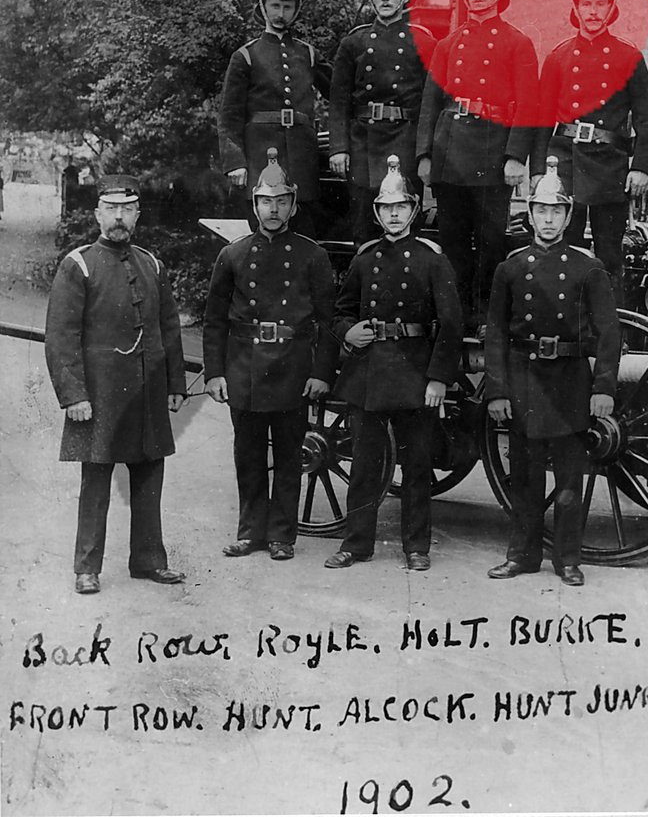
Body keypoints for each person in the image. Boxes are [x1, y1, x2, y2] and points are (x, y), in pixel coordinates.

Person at [44, 175, 187, 594]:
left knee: (149, 475)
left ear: (138, 215)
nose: (119, 217)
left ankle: (149, 560)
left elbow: (169, 327)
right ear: (97, 215)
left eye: (127, 209)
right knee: (96, 481)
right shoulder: (79, 265)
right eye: (111, 209)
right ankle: (86, 568)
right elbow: (61, 337)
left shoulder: (152, 264)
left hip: (147, 393)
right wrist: (74, 395)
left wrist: (175, 383)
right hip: (100, 395)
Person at [485, 156, 620, 586]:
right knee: (524, 478)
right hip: (524, 381)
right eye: (541, 211)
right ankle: (521, 556)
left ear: (568, 216)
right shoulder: (510, 267)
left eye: (556, 212)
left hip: (569, 382)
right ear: (530, 215)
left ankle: (568, 559)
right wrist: (497, 391)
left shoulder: (587, 268)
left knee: (568, 482)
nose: (548, 220)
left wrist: (603, 388)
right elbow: (496, 334)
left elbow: (609, 333)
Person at [325, 156, 462, 572]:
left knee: (417, 464)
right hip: (368, 372)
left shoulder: (432, 259)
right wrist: (348, 331)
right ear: (377, 213)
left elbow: (451, 323)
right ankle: (356, 544)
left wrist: (438, 378)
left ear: (413, 210)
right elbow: (340, 312)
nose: (394, 215)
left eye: (401, 207)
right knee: (365, 463)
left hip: (413, 371)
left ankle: (416, 547)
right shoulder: (365, 258)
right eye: (386, 208)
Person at [203, 149, 337, 561]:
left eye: (281, 202)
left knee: (289, 453)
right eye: (266, 202)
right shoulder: (233, 254)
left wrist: (321, 373)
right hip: (244, 366)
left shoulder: (312, 255)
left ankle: (282, 535)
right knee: (248, 454)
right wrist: (214, 373)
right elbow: (214, 320)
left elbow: (328, 322)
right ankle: (250, 533)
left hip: (292, 366)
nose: (273, 210)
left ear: (293, 206)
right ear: (255, 205)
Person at [416, 0, 538, 330]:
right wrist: (425, 155)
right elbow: (431, 104)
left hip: (492, 154)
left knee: (490, 243)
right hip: (450, 153)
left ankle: (487, 317)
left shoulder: (518, 43)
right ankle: (454, 317)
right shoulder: (448, 45)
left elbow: (529, 105)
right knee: (452, 242)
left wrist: (516, 157)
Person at [533, 0, 648, 304]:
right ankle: (562, 319)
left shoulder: (628, 57)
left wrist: (641, 167)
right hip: (565, 163)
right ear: (575, 8)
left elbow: (646, 117)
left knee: (609, 254)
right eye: (585, 4)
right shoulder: (558, 57)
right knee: (562, 248)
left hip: (609, 165)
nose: (592, 12)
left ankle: (608, 324)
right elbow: (542, 118)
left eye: (599, 4)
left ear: (610, 7)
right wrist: (538, 171)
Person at [329, 0, 436, 244]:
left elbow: (431, 104)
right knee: (364, 227)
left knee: (405, 224)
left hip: (405, 140)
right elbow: (339, 101)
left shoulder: (423, 40)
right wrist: (339, 147)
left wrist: (424, 153)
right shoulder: (354, 42)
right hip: (363, 144)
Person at [217, 0, 329, 237]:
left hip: (302, 162)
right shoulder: (246, 56)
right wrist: (235, 162)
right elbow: (229, 115)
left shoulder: (308, 54)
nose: (281, 13)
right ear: (264, 5)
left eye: (288, 7)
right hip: (259, 160)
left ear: (296, 10)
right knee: (262, 240)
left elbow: (339, 94)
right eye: (275, 6)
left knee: (304, 238)